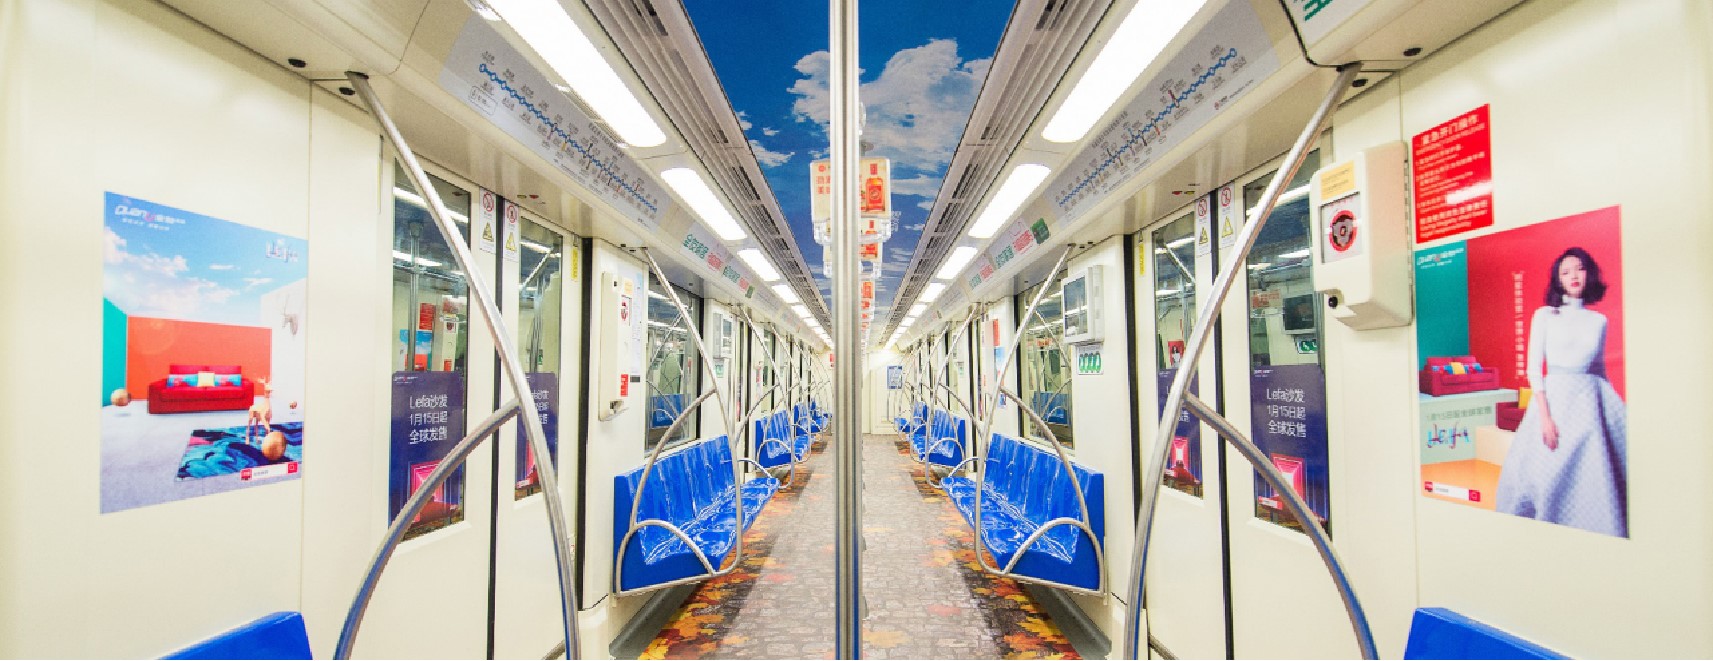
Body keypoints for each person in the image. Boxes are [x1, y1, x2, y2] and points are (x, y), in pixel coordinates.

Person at [1495, 247, 1628, 536]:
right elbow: (1534, 369)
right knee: (1547, 476)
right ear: (1558, 280)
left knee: (1593, 474)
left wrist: (1616, 409)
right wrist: (1545, 418)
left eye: (1579, 269)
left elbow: (1599, 369)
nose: (1573, 276)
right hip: (1554, 401)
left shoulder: (1599, 321)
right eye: (1565, 272)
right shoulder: (1545, 315)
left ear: (1589, 273)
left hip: (1589, 403)